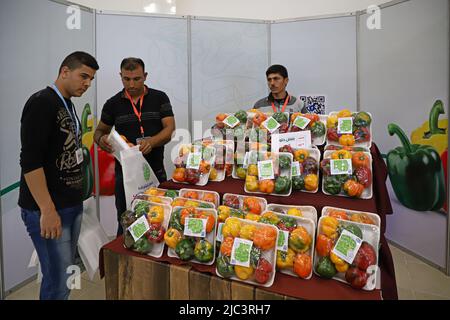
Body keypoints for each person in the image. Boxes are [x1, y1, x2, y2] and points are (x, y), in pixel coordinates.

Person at [19, 51, 99, 300]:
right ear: (65, 71)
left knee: (64, 276)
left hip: (69, 205)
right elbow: (30, 162)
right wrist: (47, 210)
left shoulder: (67, 104)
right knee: (57, 280)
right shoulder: (42, 102)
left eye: (91, 79)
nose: (86, 83)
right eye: (83, 76)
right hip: (49, 209)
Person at [94, 57, 176, 236]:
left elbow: (170, 129)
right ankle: (126, 259)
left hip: (155, 172)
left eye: (137, 79)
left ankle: (152, 259)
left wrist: (151, 142)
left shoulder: (160, 98)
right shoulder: (112, 104)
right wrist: (102, 141)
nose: (131, 84)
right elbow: (99, 132)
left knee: (159, 220)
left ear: (145, 76)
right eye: (126, 79)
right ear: (121, 76)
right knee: (127, 221)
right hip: (125, 176)